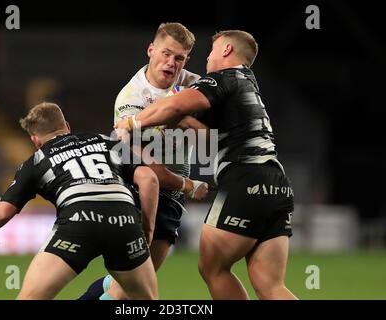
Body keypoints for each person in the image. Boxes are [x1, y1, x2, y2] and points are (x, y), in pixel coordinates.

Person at [115, 30, 297, 300]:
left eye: (210, 52)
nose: (207, 59)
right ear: (151, 50)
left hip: (245, 179)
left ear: (225, 50)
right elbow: (201, 128)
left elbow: (173, 107)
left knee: (213, 269)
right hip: (278, 183)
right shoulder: (247, 83)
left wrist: (131, 123)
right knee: (270, 285)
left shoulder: (223, 78)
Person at [0, 102, 160, 300]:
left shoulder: (37, 160)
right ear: (66, 126)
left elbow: (3, 212)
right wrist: (147, 229)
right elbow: (149, 179)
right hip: (124, 221)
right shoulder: (105, 141)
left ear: (35, 140)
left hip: (79, 221)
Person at [80, 22, 209, 300]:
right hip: (137, 194)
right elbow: (145, 167)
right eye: (166, 53)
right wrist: (188, 185)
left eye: (179, 58)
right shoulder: (131, 99)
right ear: (151, 50)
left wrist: (181, 116)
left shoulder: (193, 84)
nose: (171, 63)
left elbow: (213, 136)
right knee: (135, 289)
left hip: (170, 199)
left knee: (127, 284)